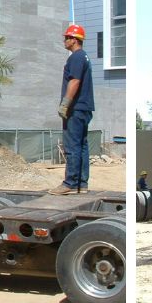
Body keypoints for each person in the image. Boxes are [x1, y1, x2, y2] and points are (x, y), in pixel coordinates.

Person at [51, 23, 95, 195]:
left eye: (67, 37)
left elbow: (74, 81)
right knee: (82, 146)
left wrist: (65, 103)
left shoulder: (76, 57)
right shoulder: (84, 57)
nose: (65, 40)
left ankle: (69, 183)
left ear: (75, 40)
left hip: (75, 109)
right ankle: (82, 184)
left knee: (72, 146)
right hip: (84, 108)